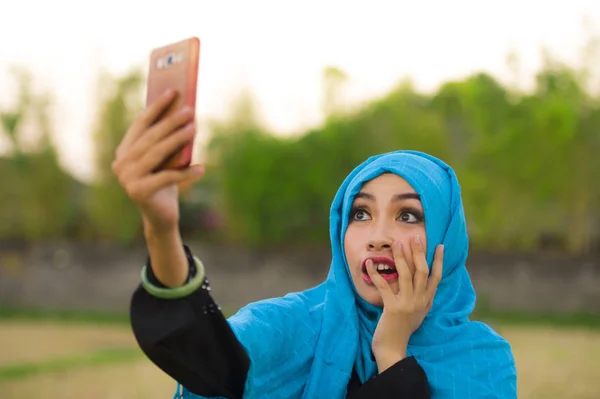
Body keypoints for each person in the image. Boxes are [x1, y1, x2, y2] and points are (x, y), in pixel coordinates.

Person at [113, 90, 517, 398]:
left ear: (448, 239)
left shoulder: (483, 363)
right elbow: (207, 358)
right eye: (360, 213)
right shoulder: (290, 326)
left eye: (407, 215)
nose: (378, 237)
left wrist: (392, 352)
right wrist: (161, 229)